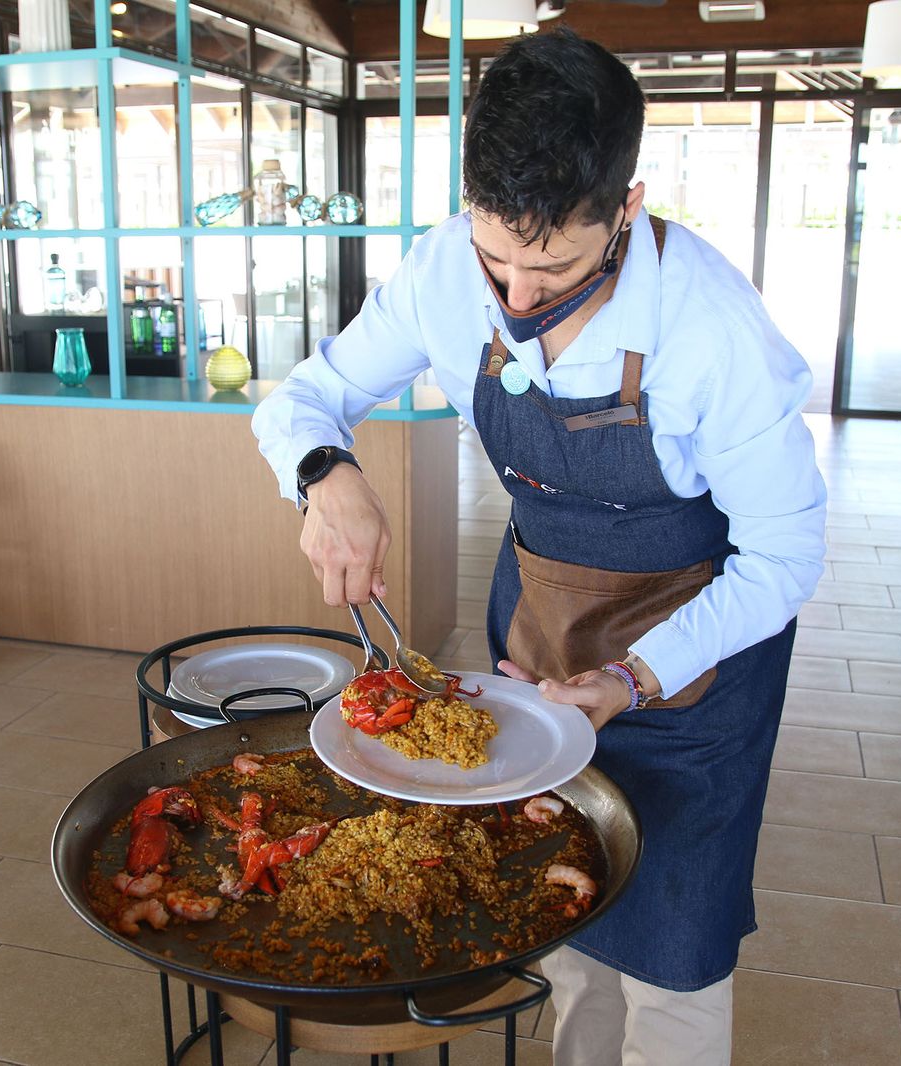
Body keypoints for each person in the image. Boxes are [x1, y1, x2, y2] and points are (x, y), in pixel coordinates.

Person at [251, 28, 826, 1066]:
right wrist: (322, 473)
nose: (516, 302)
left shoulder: (712, 330)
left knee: (672, 949)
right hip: (538, 631)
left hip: (693, 663)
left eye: (553, 267)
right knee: (556, 913)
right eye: (495, 261)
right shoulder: (440, 266)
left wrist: (637, 674)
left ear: (626, 208)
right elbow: (307, 396)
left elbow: (786, 557)